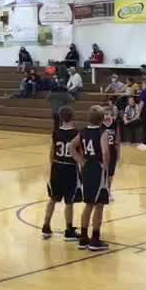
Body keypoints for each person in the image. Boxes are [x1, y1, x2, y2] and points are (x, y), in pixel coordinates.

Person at [71, 106, 112, 251]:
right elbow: (105, 152)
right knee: (99, 204)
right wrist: (105, 167)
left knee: (88, 204)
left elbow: (71, 146)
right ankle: (95, 239)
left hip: (87, 168)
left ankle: (83, 238)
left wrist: (81, 161)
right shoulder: (103, 133)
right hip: (98, 168)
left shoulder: (82, 132)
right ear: (102, 119)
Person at [43, 106, 80, 240]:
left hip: (57, 167)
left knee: (52, 199)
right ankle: (69, 229)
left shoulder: (56, 132)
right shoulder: (77, 133)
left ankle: (46, 226)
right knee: (69, 201)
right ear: (72, 116)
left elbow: (51, 152)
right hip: (70, 168)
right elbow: (78, 153)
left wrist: (52, 165)